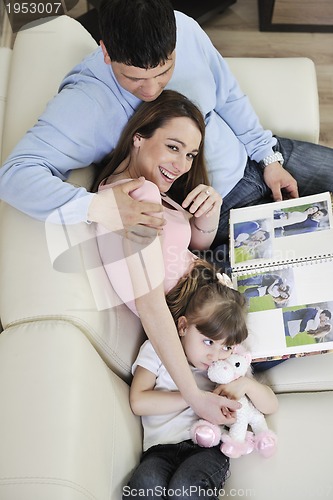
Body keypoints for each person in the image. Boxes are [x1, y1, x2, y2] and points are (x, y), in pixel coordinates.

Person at [1, 0, 333, 249]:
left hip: (258, 157)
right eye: (133, 78)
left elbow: (228, 94)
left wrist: (268, 157)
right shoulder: (86, 104)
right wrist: (98, 207)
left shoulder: (184, 28)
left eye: (163, 71)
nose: (152, 90)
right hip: (216, 213)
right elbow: (14, 176)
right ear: (105, 52)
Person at [95, 89, 242, 427]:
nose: (181, 165)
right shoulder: (137, 197)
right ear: (138, 137)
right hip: (210, 320)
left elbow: (195, 244)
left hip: (214, 284)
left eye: (190, 154)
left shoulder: (146, 187)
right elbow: (150, 305)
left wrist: (210, 211)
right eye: (173, 147)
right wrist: (195, 397)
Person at [123, 260, 278, 499]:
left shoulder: (227, 365)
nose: (214, 355)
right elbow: (139, 402)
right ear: (183, 326)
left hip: (208, 449)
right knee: (146, 484)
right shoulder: (157, 349)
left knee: (185, 488)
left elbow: (270, 405)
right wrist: (195, 398)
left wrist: (246, 384)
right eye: (208, 342)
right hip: (159, 450)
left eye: (226, 347)